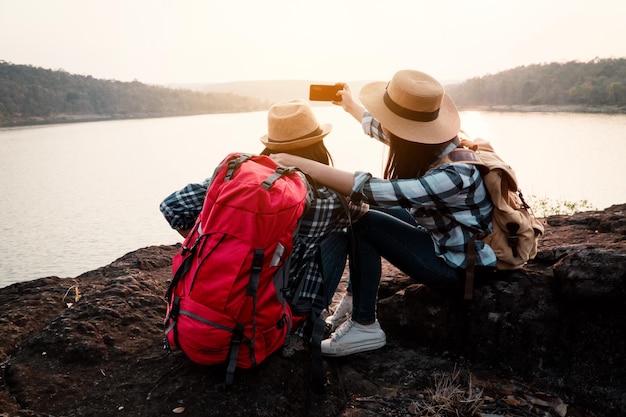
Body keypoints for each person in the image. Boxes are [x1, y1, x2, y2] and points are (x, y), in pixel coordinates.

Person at [270, 69, 496, 357]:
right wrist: (349, 104)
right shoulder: (438, 147)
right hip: (451, 245)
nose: (387, 128)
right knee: (368, 212)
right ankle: (353, 301)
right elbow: (379, 129)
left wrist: (302, 163)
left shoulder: (455, 175)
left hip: (461, 269)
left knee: (365, 221)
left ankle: (365, 326)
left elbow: (375, 190)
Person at [159, 99, 369, 339]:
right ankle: (312, 323)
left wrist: (220, 243)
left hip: (218, 305)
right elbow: (364, 209)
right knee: (341, 237)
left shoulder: (236, 182)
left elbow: (171, 206)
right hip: (281, 316)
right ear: (319, 146)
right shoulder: (329, 201)